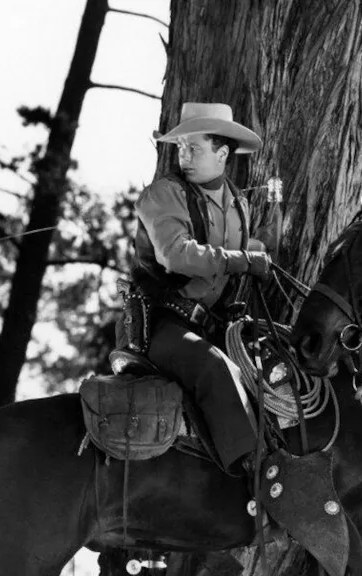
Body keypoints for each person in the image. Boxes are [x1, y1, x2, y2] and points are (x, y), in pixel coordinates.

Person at [132, 101, 273, 476]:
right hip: (162, 325)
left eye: (194, 148)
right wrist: (241, 260)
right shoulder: (163, 195)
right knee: (214, 368)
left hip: (215, 326)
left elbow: (247, 249)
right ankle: (255, 473)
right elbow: (176, 255)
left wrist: (261, 251)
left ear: (222, 153)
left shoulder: (239, 203)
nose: (184, 156)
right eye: (181, 147)